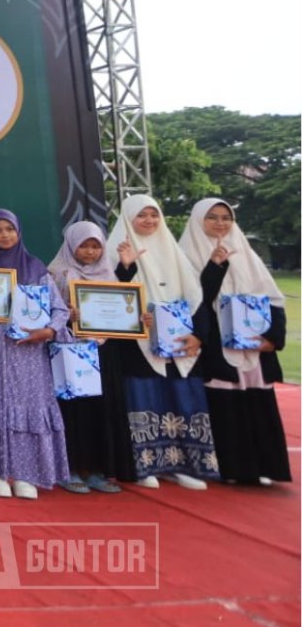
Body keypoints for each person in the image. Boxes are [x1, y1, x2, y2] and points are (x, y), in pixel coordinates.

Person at [105, 194, 219, 489]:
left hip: (179, 343)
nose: (149, 220)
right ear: (128, 218)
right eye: (142, 215)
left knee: (182, 398)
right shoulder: (114, 252)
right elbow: (108, 301)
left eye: (154, 214)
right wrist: (126, 267)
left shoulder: (174, 252)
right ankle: (147, 464)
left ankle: (183, 465)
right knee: (145, 397)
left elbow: (197, 299)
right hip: (137, 346)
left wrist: (199, 336)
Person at [178, 198, 290, 486]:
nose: (220, 223)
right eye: (212, 217)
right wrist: (215, 266)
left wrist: (272, 339)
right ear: (199, 220)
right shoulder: (185, 255)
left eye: (225, 217)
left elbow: (274, 299)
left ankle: (264, 467)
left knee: (258, 403)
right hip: (217, 345)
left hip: (253, 347)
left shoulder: (245, 252)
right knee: (225, 405)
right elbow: (194, 302)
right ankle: (233, 468)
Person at [0, 209, 71, 499]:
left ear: (18, 231)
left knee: (29, 405)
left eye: (9, 229)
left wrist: (48, 331)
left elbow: (59, 310)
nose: (5, 235)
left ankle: (26, 473)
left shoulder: (35, 267)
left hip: (30, 352)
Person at [46, 221, 127, 493]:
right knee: (73, 411)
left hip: (102, 351)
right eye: (84, 245)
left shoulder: (109, 274)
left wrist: (137, 319)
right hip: (70, 350)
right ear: (71, 245)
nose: (90, 252)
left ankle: (97, 470)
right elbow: (47, 311)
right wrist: (66, 315)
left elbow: (121, 312)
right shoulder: (57, 273)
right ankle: (68, 469)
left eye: (96, 246)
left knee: (99, 410)